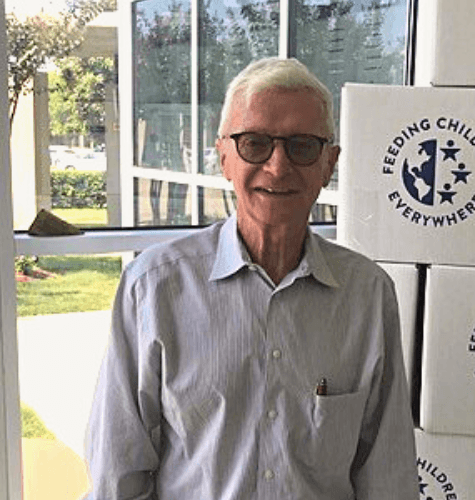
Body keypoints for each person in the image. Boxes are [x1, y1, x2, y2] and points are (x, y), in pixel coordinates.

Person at [84, 57, 419, 499]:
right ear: (224, 156)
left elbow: (387, 477)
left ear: (329, 164)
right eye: (255, 143)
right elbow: (117, 476)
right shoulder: (152, 288)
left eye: (302, 146)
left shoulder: (368, 296)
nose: (278, 167)